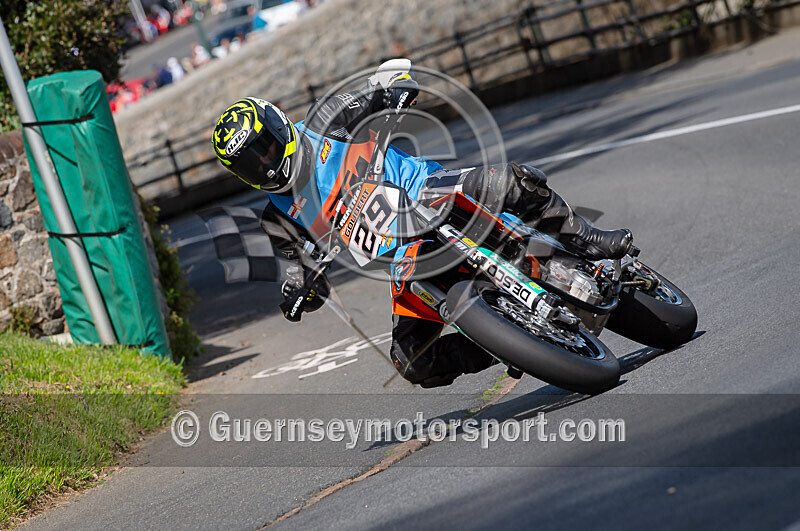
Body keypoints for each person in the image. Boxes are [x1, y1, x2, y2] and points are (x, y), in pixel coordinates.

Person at [211, 60, 632, 388]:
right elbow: (302, 272)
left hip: (429, 192)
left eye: (265, 149)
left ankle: (586, 238)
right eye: (251, 165)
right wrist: (298, 293)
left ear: (279, 125)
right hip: (405, 260)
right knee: (411, 360)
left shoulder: (329, 121)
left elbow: (387, 86)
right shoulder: (279, 216)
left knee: (511, 181)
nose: (265, 164)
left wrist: (396, 88)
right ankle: (509, 345)